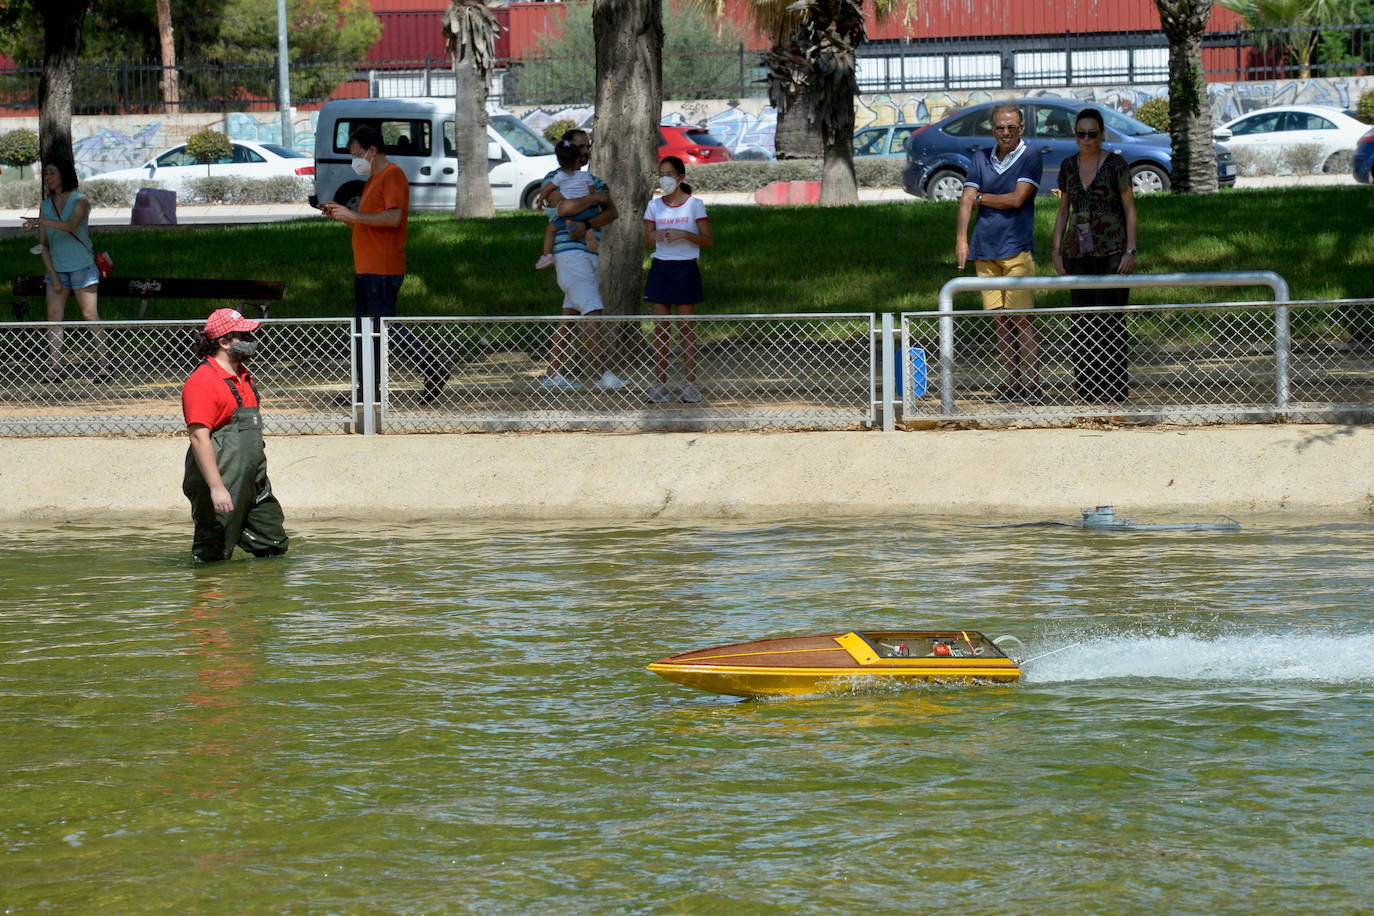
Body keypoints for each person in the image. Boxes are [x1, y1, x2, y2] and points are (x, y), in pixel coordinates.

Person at [321, 125, 447, 405]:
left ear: (372, 150)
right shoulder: (373, 180)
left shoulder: (392, 175)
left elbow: (393, 218)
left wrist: (354, 216)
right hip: (367, 268)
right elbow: (369, 223)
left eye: (357, 154)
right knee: (365, 332)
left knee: (384, 327)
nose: (355, 160)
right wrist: (344, 215)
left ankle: (433, 367)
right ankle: (368, 389)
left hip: (383, 268)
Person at [181, 308, 289, 563]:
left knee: (272, 545)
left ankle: (260, 589)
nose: (251, 340)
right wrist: (217, 488)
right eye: (244, 335)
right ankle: (209, 589)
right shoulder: (202, 381)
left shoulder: (243, 376)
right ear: (224, 342)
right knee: (213, 556)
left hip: (253, 479)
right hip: (222, 479)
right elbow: (198, 437)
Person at [954, 103, 1044, 403]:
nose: (1005, 133)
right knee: (1000, 319)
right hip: (985, 249)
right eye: (1000, 128)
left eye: (1011, 127)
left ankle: (1033, 385)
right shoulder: (981, 157)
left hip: (1017, 248)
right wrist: (962, 240)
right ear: (993, 129)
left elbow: (1017, 199)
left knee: (1022, 318)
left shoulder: (1030, 156)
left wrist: (981, 197)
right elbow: (965, 200)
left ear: (1021, 128)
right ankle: (1013, 382)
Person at [1051, 107, 1139, 403]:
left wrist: (1130, 250)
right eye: (1081, 134)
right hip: (1077, 251)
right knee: (1082, 321)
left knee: (1111, 319)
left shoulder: (1116, 165)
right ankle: (1088, 389)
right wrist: (1056, 249)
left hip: (1112, 249)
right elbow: (1063, 210)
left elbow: (1130, 209)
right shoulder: (1068, 166)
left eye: (1092, 134)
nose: (1086, 139)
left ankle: (1114, 388)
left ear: (1101, 134)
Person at [540, 129, 626, 390]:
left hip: (588, 253)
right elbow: (563, 208)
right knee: (592, 310)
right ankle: (603, 375)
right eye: (580, 147)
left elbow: (611, 212)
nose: (585, 151)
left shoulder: (595, 180)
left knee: (570, 314)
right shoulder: (552, 178)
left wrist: (587, 223)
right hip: (569, 254)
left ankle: (552, 375)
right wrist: (593, 199)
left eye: (587, 146)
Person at [22, 158, 110, 383]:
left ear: (64, 175)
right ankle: (55, 368)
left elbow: (70, 225)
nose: (48, 178)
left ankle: (104, 366)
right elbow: (43, 245)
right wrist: (52, 274)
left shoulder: (80, 200)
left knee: (90, 315)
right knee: (53, 318)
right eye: (46, 174)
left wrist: (41, 221)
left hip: (82, 266)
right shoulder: (46, 206)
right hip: (57, 269)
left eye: (52, 173)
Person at [643, 156, 712, 404]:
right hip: (661, 268)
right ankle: (660, 384)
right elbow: (646, 241)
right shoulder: (654, 206)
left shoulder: (695, 205)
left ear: (681, 177)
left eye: (669, 174)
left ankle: (690, 384)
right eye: (661, 174)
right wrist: (655, 235)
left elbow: (707, 240)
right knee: (661, 329)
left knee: (685, 328)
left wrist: (684, 234)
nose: (665, 179)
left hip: (685, 268)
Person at [534, 137, 599, 270]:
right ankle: (588, 232)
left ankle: (547, 256)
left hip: (570, 213)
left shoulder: (559, 176)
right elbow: (591, 193)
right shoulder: (586, 176)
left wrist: (540, 202)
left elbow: (546, 190)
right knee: (583, 222)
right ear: (578, 160)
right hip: (587, 211)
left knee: (550, 229)